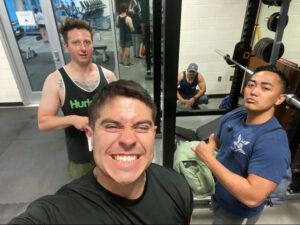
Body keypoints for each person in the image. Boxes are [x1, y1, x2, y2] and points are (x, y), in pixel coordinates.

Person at [9, 80, 193, 224]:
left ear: (153, 134)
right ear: (91, 135)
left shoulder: (176, 186)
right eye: (112, 126)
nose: (128, 140)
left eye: (141, 127)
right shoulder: (58, 212)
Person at [193, 65, 291, 224]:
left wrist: (209, 160)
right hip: (220, 195)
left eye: (265, 88)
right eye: (251, 85)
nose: (254, 91)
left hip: (238, 211)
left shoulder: (273, 142)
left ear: (279, 98)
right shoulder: (236, 115)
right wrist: (211, 147)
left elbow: (252, 197)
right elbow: (218, 141)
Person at [37, 18, 117, 180]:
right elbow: (43, 122)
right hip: (80, 157)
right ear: (66, 47)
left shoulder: (108, 77)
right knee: (84, 201)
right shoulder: (55, 81)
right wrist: (73, 119)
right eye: (76, 43)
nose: (83, 48)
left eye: (87, 42)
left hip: (109, 151)